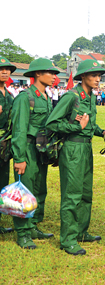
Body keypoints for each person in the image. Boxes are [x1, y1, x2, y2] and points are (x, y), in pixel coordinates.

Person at [46, 59, 105, 255]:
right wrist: (75, 127)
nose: (98, 79)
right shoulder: (71, 96)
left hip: (86, 149)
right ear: (82, 77)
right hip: (72, 149)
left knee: (85, 194)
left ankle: (81, 232)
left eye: (99, 76)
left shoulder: (91, 97)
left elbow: (89, 124)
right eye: (93, 75)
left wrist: (103, 132)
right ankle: (68, 239)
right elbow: (52, 123)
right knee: (71, 196)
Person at [11, 58, 59, 249]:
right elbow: (19, 130)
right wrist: (20, 158)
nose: (54, 77)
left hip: (42, 150)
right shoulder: (25, 97)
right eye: (51, 73)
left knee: (39, 189)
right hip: (28, 149)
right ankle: (22, 233)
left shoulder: (46, 96)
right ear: (38, 74)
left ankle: (31, 226)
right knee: (24, 191)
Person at [0, 57, 15, 234]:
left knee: (2, 182)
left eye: (7, 69)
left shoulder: (10, 95)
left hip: (4, 143)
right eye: (1, 69)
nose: (5, 72)